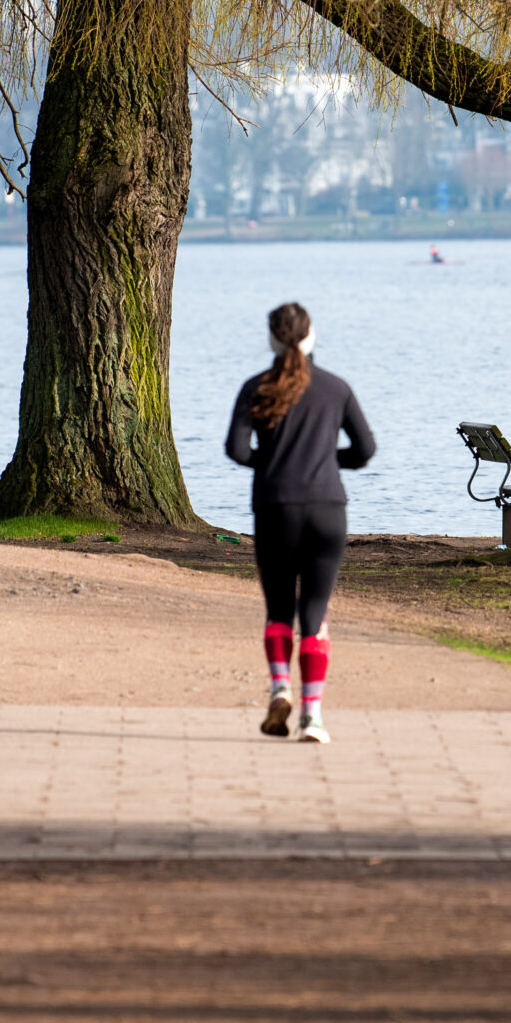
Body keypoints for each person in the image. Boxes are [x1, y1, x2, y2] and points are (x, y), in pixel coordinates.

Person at [226, 302, 375, 744]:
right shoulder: (336, 388)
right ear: (311, 338)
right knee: (314, 613)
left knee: (278, 610)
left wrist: (272, 465)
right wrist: (328, 463)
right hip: (327, 509)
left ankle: (279, 688)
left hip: (275, 508)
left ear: (272, 339)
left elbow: (235, 451)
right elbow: (365, 450)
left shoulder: (255, 387)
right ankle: (313, 717)